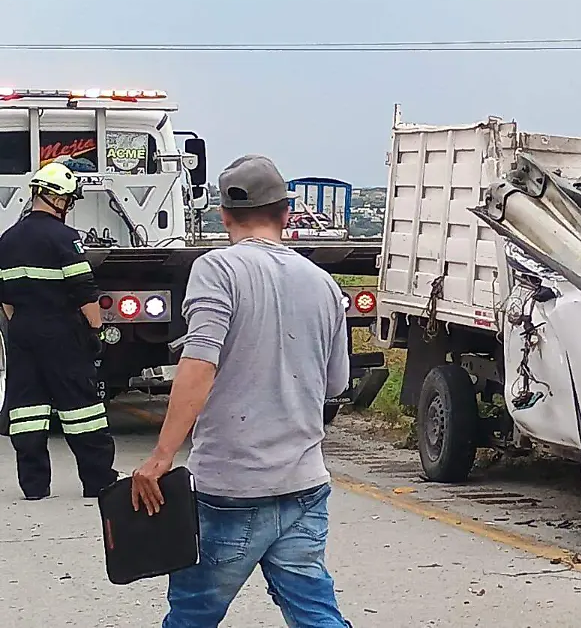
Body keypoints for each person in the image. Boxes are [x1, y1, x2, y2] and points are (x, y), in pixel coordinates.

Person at [129, 154, 352, 627]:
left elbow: (199, 363)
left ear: (225, 215)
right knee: (315, 614)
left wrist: (161, 457)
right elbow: (336, 384)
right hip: (304, 485)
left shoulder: (218, 270)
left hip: (230, 489)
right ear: (286, 214)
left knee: (192, 615)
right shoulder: (324, 284)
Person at [0, 161, 118, 500]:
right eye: (69, 200)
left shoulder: (7, 239)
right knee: (83, 409)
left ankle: (34, 486)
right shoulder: (65, 238)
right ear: (58, 198)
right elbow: (84, 290)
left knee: (27, 409)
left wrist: (23, 321)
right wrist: (96, 332)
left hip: (22, 331)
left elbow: (4, 298)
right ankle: (98, 481)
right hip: (61, 333)